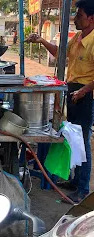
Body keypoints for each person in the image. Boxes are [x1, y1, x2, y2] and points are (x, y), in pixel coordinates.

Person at [26, 0, 94, 203]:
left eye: (79, 15)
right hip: (73, 91)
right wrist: (41, 41)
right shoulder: (78, 38)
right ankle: (74, 181)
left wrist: (83, 91)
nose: (75, 19)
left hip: (86, 95)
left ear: (91, 18)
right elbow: (60, 54)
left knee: (83, 142)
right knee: (73, 139)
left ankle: (82, 188)